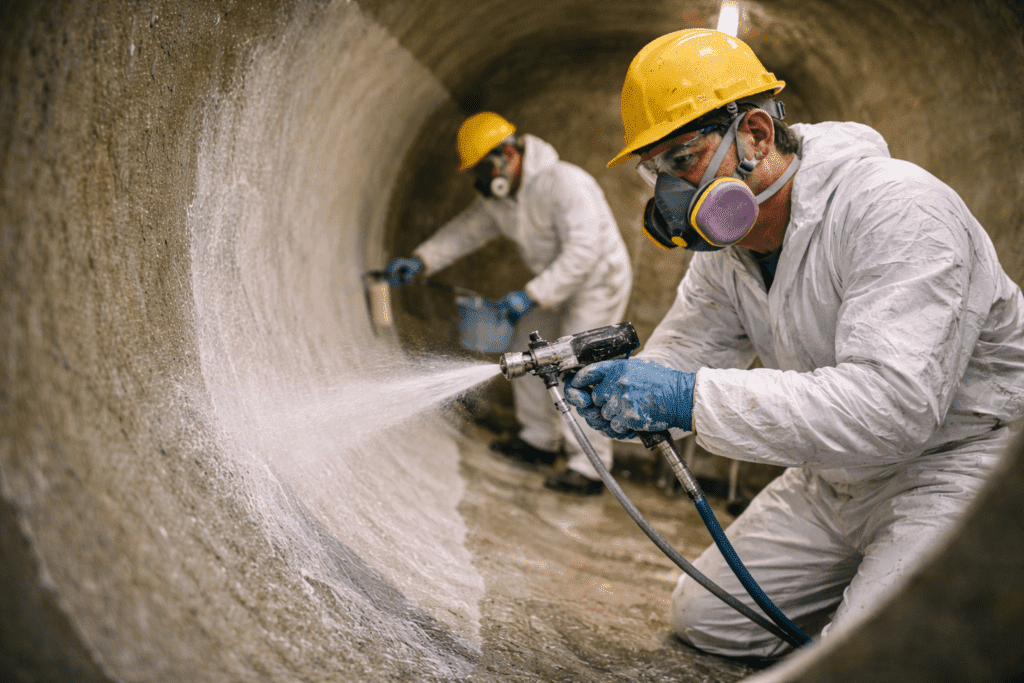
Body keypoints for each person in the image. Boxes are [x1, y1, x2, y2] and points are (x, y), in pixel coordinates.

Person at [565, 28, 1024, 657]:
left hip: (954, 465)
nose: (669, 193)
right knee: (705, 616)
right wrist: (625, 388)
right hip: (834, 477)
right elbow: (684, 357)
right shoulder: (727, 256)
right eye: (655, 170)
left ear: (754, 134)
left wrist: (682, 398)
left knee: (870, 656)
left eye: (683, 160)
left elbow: (893, 409)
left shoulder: (897, 210)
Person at [386, 111, 632, 496]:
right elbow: (465, 231)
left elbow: (585, 252)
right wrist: (423, 260)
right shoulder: (500, 201)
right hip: (550, 284)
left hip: (598, 282)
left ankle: (589, 468)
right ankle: (538, 441)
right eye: (476, 171)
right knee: (526, 350)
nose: (483, 178)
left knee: (579, 366)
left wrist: (529, 295)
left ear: (508, 154)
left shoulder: (564, 182)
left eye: (486, 166)